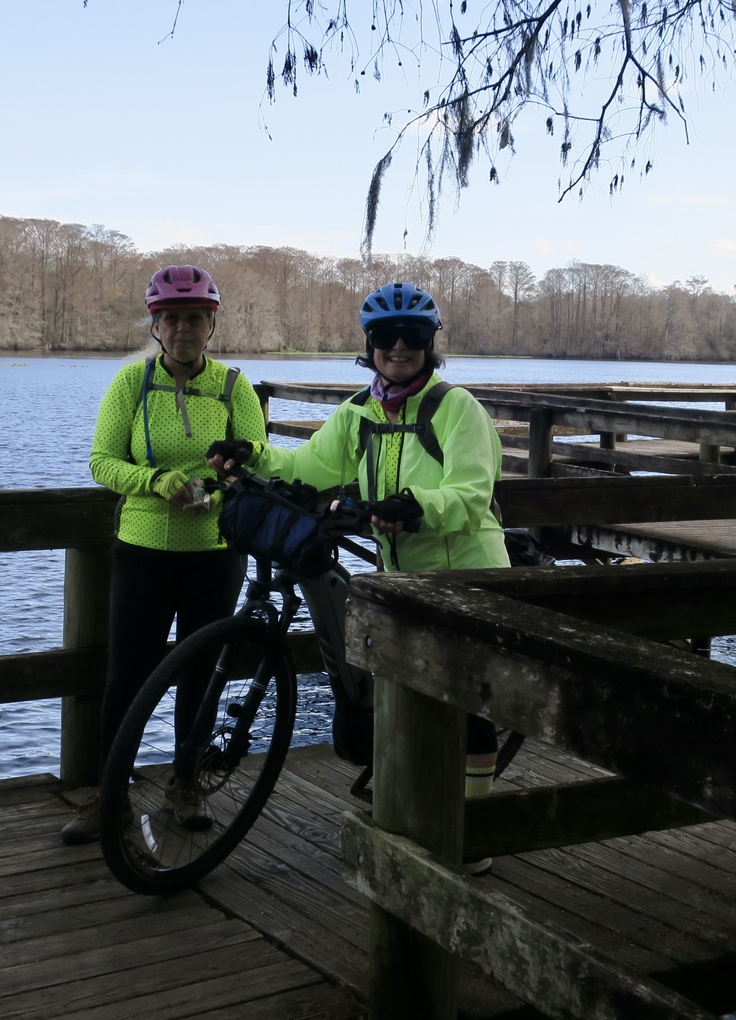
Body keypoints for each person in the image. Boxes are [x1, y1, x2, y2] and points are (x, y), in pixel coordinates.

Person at [207, 281, 509, 802]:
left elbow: (471, 493)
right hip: (402, 578)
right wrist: (254, 453)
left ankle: (472, 827)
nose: (398, 346)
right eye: (385, 335)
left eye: (411, 334)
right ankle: (417, 802)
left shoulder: (457, 408)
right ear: (369, 344)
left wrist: (415, 505)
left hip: (466, 573)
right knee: (410, 691)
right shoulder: (359, 412)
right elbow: (311, 464)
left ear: (430, 342)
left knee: (467, 701)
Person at [61, 264, 268, 845]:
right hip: (144, 552)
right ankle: (112, 792)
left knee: (201, 675)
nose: (183, 329)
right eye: (171, 318)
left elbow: (258, 459)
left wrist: (224, 481)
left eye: (194, 319)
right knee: (127, 672)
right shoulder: (133, 384)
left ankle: (186, 784)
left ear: (211, 325)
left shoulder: (234, 387)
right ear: (156, 324)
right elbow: (102, 462)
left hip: (215, 553)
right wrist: (156, 480)